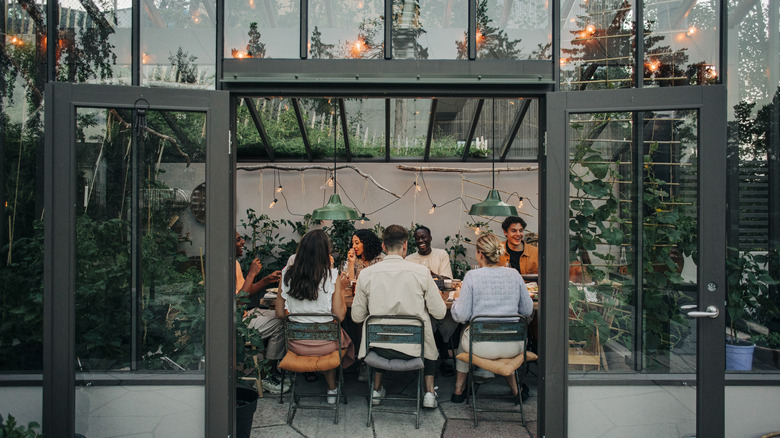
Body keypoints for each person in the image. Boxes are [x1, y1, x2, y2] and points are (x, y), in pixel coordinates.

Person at [351, 225, 447, 409]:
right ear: (405, 245)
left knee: (382, 328)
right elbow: (440, 313)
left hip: (379, 347)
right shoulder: (421, 272)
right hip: (414, 347)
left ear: (383, 247)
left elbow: (356, 317)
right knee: (426, 330)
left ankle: (377, 390)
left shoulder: (366, 274)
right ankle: (428, 393)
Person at [449, 233, 534, 403]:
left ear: (479, 253)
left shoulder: (472, 277)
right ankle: (516, 390)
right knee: (488, 334)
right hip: (514, 345)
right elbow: (527, 309)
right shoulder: (514, 274)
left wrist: (457, 299)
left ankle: (459, 390)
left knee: (464, 334)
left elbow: (461, 315)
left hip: (480, 347)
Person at [275, 230, 356, 404]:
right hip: (326, 346)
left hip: (296, 346)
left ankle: (329, 385)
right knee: (336, 335)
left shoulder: (286, 275)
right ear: (325, 252)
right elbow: (340, 316)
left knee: (328, 335)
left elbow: (280, 313)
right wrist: (341, 289)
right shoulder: (331, 276)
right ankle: (332, 388)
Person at [235, 232, 288, 394]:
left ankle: (270, 371)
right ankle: (265, 376)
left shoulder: (234, 264)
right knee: (281, 320)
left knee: (279, 316)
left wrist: (265, 280)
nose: (243, 241)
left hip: (244, 315)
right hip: (236, 324)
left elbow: (246, 292)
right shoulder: (223, 266)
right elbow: (239, 302)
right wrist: (251, 273)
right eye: (238, 239)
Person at [405, 225, 458, 377]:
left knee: (447, 320)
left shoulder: (441, 254)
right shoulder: (409, 259)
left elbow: (447, 280)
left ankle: (441, 357)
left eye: (423, 237)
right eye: (417, 238)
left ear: (430, 238)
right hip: (420, 306)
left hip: (440, 302)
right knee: (427, 321)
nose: (420, 240)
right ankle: (435, 360)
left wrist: (428, 274)